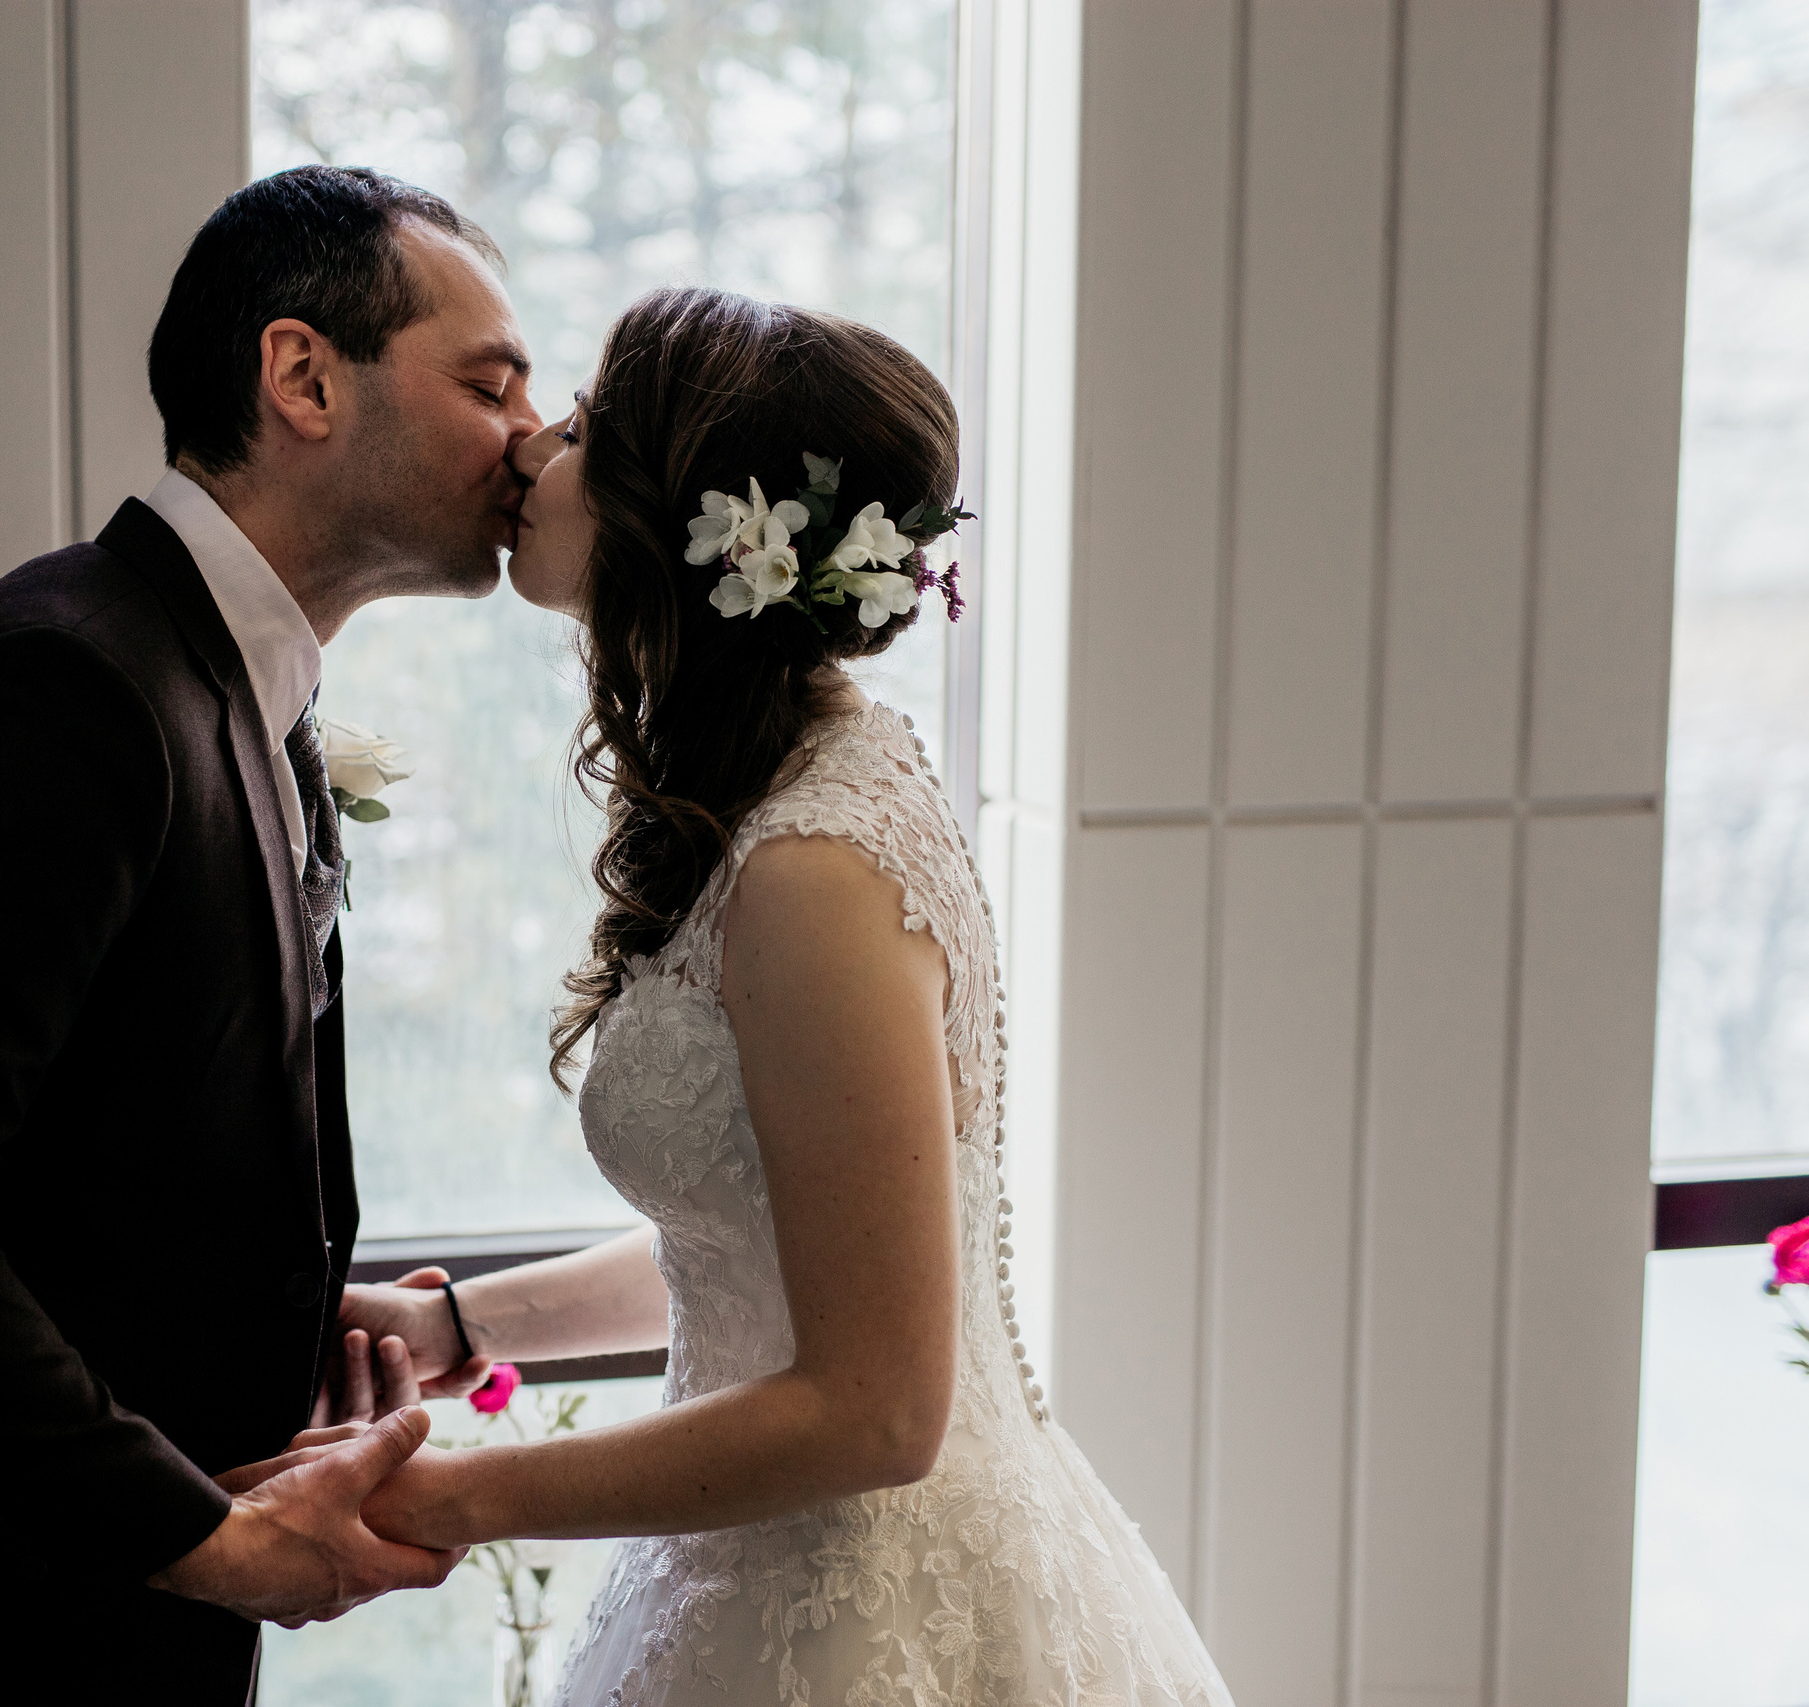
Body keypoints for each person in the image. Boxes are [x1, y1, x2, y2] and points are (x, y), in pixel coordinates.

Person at [0, 164, 525, 1704]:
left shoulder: (243, 693)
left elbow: (111, 1138)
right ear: (302, 376)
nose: (528, 434)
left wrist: (265, 1334)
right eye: (490, 380)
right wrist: (201, 1535)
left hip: (89, 1607)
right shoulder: (62, 685)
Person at [336, 288, 1236, 1704]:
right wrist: (462, 1331)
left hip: (865, 1623)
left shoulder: (815, 865)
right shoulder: (786, 792)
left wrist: (454, 1498)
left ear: (684, 522)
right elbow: (772, 1241)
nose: (531, 453)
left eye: (581, 427)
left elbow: (877, 1410)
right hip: (760, 1578)